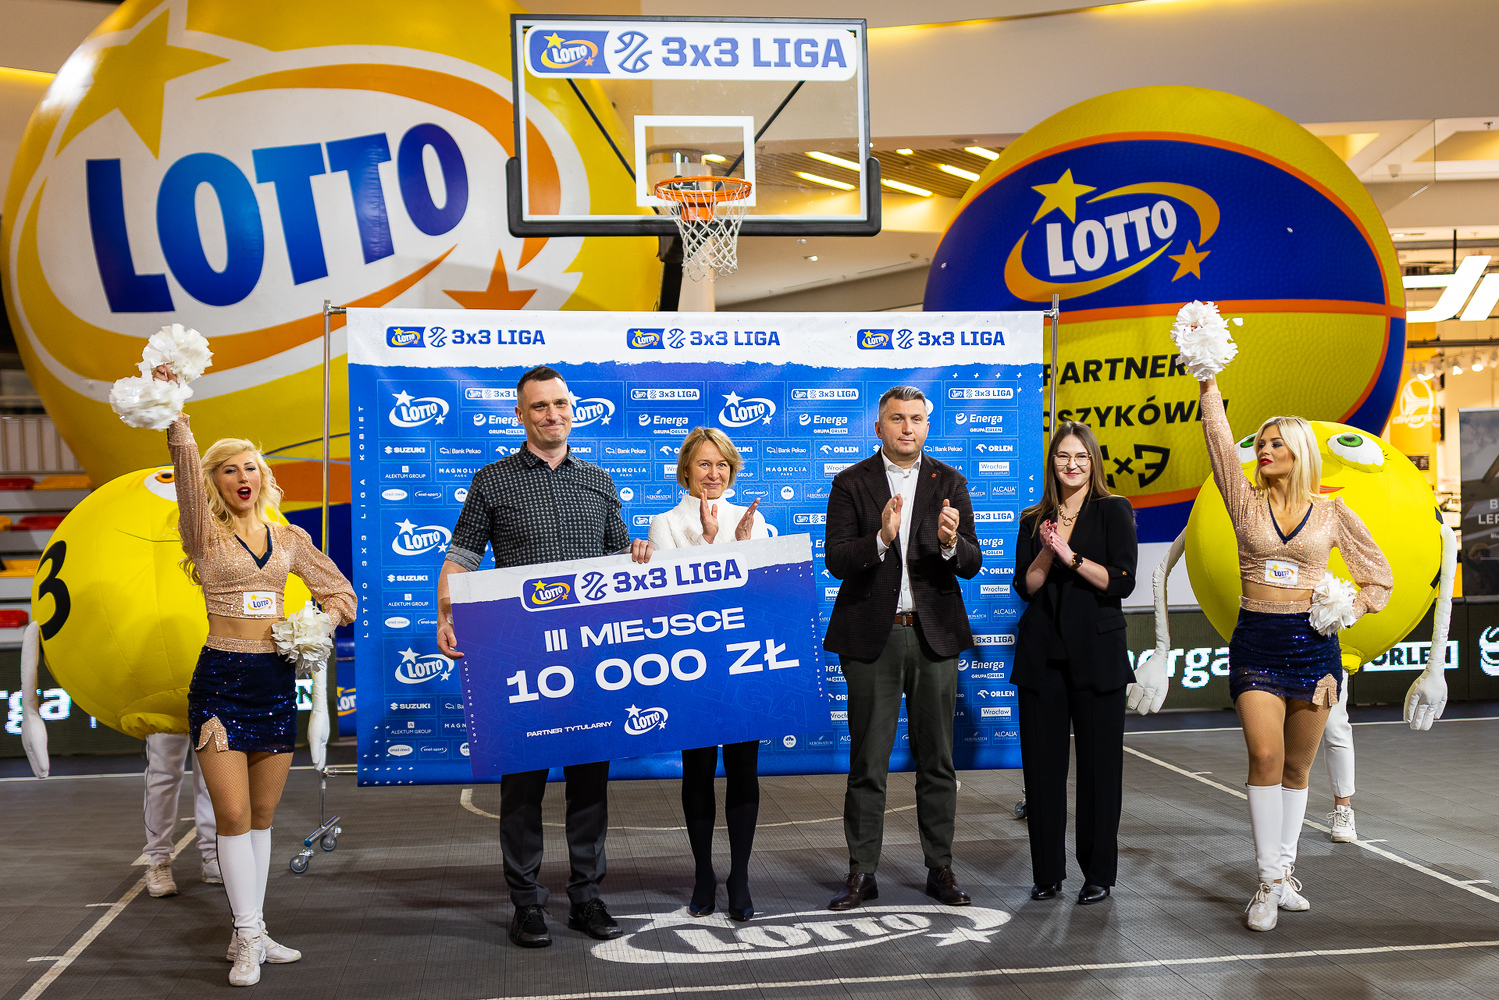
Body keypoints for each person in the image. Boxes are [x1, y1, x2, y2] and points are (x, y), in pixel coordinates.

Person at [438, 365, 654, 949]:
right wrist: (445, 612)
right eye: (539, 406)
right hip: (520, 654)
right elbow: (462, 555)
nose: (552, 414)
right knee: (522, 785)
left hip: (590, 655)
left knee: (589, 783)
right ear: (520, 414)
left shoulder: (598, 480)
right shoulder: (492, 480)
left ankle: (586, 896)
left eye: (560, 404)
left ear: (571, 408)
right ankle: (527, 903)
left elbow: (618, 557)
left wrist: (636, 551)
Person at [162, 386, 356, 986]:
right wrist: (176, 420)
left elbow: (342, 594)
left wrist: (316, 624)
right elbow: (185, 477)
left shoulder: (290, 538)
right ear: (214, 482)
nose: (241, 477)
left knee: (263, 817)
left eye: (249, 467)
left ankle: (255, 929)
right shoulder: (203, 534)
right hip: (220, 683)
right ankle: (247, 938)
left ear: (263, 476)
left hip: (273, 682)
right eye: (228, 470)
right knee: (232, 813)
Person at [1197, 372, 1391, 931]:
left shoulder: (1332, 513)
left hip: (1314, 652)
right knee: (1264, 757)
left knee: (1297, 768)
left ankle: (1284, 874)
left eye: (1275, 443)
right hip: (1256, 645)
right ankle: (1264, 883)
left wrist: (1345, 608)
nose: (1263, 450)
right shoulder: (1244, 502)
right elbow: (1219, 442)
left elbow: (1378, 578)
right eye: (1261, 443)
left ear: (1299, 452)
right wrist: (1208, 381)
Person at [821, 386, 982, 911]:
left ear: (926, 427)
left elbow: (972, 563)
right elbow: (837, 560)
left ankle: (940, 868)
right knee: (868, 762)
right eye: (897, 418)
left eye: (916, 418)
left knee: (937, 760)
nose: (907, 427)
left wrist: (951, 543)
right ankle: (862, 873)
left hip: (935, 635)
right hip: (874, 637)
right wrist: (882, 538)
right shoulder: (850, 482)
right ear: (879, 427)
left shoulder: (950, 481)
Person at [1012, 421, 1138, 906]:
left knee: (1100, 772)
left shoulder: (1113, 509)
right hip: (1041, 658)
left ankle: (1098, 874)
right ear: (1052, 462)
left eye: (1081, 456)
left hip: (1098, 658)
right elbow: (1026, 587)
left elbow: (1121, 581)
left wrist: (1071, 556)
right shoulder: (1034, 519)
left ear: (1093, 462)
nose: (1072, 464)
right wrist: (1047, 552)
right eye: (1063, 456)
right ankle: (1047, 874)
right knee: (1042, 772)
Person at [648, 427, 769, 921]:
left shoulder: (755, 522)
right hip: (690, 668)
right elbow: (675, 597)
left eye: (722, 465)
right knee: (697, 770)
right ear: (686, 471)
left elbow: (760, 594)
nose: (713, 474)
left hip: (741, 665)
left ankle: (740, 875)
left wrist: (741, 544)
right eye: (704, 464)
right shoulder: (664, 524)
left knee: (743, 770)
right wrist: (711, 542)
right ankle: (703, 873)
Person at [143, 733, 220, 897]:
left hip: (210, 715)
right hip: (166, 715)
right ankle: (158, 860)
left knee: (212, 772)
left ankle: (212, 855)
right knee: (163, 771)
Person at [1323, 675, 1358, 842]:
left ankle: (1343, 809)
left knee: (1334, 727)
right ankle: (1288, 811)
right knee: (1290, 730)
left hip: (1328, 664)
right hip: (1280, 662)